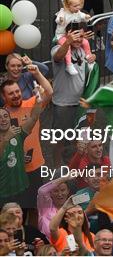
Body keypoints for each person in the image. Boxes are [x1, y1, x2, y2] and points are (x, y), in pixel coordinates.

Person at [1, 68, 52, 208]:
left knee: (35, 206)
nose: (16, 95)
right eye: (11, 93)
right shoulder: (3, 116)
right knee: (15, 208)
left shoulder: (30, 104)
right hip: (13, 170)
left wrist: (36, 73)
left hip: (35, 165)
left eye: (17, 91)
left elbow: (49, 92)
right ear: (3, 96)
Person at [51, 28, 96, 167]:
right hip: (63, 104)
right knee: (60, 141)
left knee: (81, 141)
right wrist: (67, 42)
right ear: (67, 34)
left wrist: (92, 59)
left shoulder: (83, 48)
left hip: (81, 105)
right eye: (75, 36)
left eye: (81, 36)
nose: (78, 39)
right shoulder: (58, 47)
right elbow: (58, 57)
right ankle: (57, 171)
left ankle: (78, 170)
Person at [0, 100, 43, 207]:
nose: (3, 119)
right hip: (3, 193)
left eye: (5, 116)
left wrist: (38, 100)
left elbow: (33, 118)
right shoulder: (9, 136)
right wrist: (5, 139)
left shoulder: (17, 133)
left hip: (22, 188)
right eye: (0, 117)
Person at [55, 0, 93, 76]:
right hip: (62, 35)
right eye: (75, 6)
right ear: (68, 6)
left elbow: (82, 15)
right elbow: (58, 19)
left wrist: (86, 17)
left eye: (79, 5)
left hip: (71, 31)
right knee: (67, 44)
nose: (78, 7)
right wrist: (61, 20)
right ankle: (69, 65)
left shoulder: (77, 12)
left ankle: (88, 58)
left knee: (85, 42)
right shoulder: (63, 12)